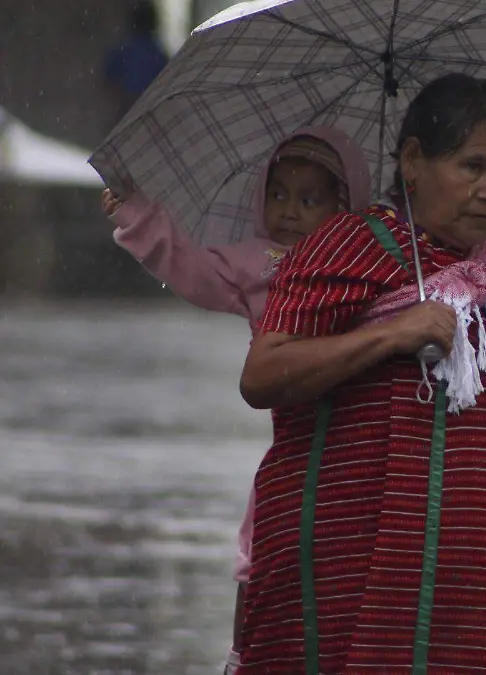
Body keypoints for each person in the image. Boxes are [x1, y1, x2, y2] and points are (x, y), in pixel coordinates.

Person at [235, 73, 486, 674]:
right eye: (473, 167)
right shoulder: (347, 245)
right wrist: (392, 332)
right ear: (412, 159)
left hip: (471, 577)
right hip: (348, 560)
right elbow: (263, 373)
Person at [100, 126, 373, 675]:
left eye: (308, 199)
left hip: (360, 445)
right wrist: (137, 210)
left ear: (343, 208)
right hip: (295, 444)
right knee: (261, 552)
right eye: (278, 195)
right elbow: (190, 266)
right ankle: (244, 656)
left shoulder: (372, 264)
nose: (288, 212)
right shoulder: (262, 264)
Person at [103, 1, 170, 120]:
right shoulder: (158, 55)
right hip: (148, 110)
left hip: (125, 108)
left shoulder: (124, 50)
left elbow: (109, 79)